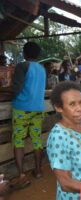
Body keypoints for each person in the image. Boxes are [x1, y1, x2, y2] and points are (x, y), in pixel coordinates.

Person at [11, 42, 46, 188]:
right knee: (36, 139)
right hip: (38, 109)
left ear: (25, 53)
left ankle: (21, 175)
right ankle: (38, 171)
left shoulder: (22, 66)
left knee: (19, 140)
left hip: (21, 109)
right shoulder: (42, 68)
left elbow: (16, 89)